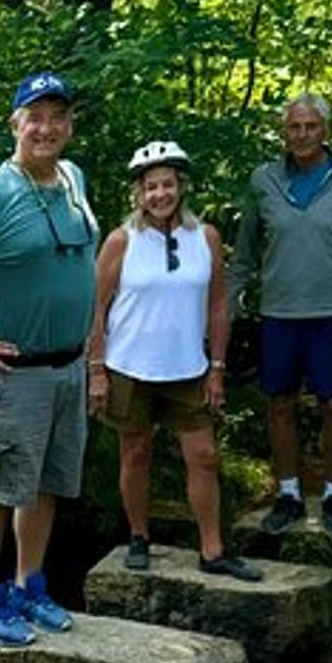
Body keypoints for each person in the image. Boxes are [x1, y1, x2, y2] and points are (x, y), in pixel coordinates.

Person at [0, 71, 99, 647]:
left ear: (69, 125)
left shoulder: (74, 180)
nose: (47, 128)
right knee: (2, 488)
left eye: (57, 117)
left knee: (50, 483)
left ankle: (31, 583)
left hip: (69, 367)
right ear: (15, 124)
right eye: (35, 117)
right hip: (17, 374)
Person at [89, 143, 262, 580]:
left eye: (167, 185)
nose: (160, 194)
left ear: (181, 187)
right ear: (139, 193)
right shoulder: (121, 241)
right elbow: (95, 307)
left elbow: (219, 304)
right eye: (151, 187)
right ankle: (139, 536)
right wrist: (96, 369)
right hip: (130, 367)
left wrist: (218, 367)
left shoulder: (205, 237)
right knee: (136, 452)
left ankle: (213, 548)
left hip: (189, 367)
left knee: (203, 456)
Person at [228, 93, 332, 539]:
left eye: (311, 126)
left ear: (326, 130)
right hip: (279, 311)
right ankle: (289, 493)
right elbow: (245, 250)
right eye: (294, 127)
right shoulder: (265, 180)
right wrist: (232, 302)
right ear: (284, 133)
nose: (302, 135)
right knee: (280, 404)